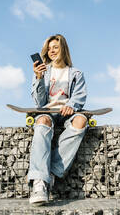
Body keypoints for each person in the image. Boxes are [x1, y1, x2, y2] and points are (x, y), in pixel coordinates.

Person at [28, 34, 88, 206]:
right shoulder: (43, 72)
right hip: (48, 112)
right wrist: (39, 79)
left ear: (63, 48)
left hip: (68, 113)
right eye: (49, 48)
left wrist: (72, 105)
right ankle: (39, 182)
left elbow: (79, 96)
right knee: (42, 122)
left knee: (81, 121)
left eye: (55, 47)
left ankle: (51, 172)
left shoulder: (76, 73)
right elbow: (39, 103)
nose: (51, 51)